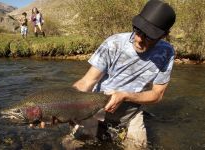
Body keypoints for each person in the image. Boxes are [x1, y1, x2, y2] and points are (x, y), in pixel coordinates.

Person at [73, 0, 176, 149]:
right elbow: (87, 82)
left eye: (149, 36)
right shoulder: (113, 43)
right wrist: (63, 105)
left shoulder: (167, 52)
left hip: (132, 114)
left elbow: (157, 94)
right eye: (138, 30)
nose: (139, 39)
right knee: (71, 145)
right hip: (94, 109)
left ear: (163, 35)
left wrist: (125, 96)